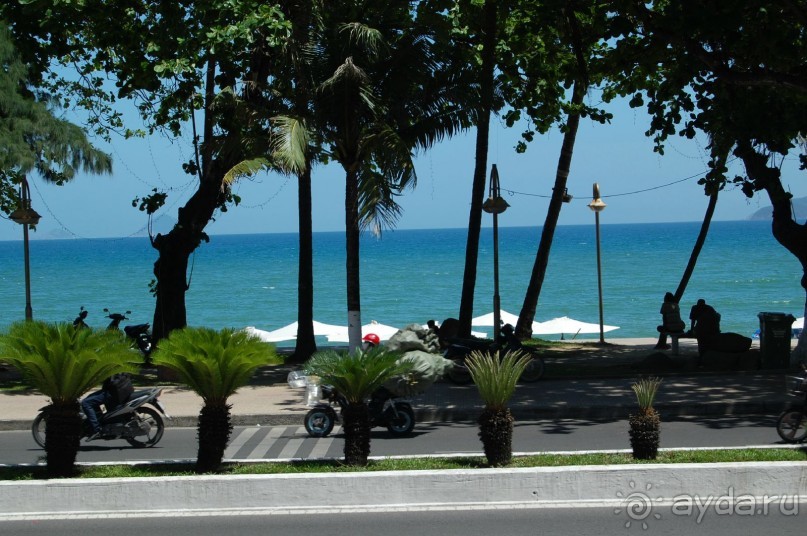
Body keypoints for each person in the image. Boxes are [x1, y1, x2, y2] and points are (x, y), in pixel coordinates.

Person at [81, 373, 133, 441]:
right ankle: (104, 420)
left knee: (86, 403)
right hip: (118, 391)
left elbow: (109, 379)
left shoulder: (111, 367)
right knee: (90, 398)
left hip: (113, 393)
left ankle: (96, 429)